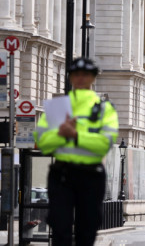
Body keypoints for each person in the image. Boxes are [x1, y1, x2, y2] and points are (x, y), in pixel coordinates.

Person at [34, 57, 119, 246]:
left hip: (91, 174)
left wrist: (74, 135)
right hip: (62, 174)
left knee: (87, 231)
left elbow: (104, 144)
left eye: (86, 75)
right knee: (60, 228)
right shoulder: (57, 106)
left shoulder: (105, 108)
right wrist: (62, 134)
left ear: (93, 78)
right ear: (70, 77)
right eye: (76, 74)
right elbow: (43, 143)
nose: (81, 78)